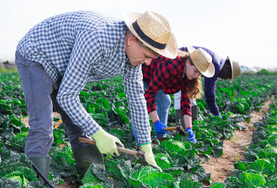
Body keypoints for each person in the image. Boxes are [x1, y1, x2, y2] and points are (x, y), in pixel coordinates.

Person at [15, 10, 178, 176]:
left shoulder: (133, 58)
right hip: (36, 55)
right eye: (147, 56)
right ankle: (36, 185)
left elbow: (137, 99)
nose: (148, 62)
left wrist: (146, 148)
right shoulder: (97, 39)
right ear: (131, 40)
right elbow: (67, 96)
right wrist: (99, 134)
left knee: (79, 125)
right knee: (42, 125)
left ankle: (91, 178)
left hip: (63, 65)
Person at [132, 46, 215, 144]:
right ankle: (141, 145)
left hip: (157, 79)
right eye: (196, 71)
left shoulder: (188, 75)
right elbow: (149, 95)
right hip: (143, 74)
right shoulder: (171, 64)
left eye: (199, 74)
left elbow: (185, 102)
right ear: (188, 62)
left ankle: (161, 139)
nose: (196, 76)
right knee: (140, 108)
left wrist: (189, 129)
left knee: (165, 102)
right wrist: (156, 122)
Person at [174, 46, 242, 126]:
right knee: (180, 95)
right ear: (227, 68)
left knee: (190, 96)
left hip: (187, 67)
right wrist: (215, 112)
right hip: (179, 60)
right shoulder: (215, 64)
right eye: (227, 77)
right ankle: (180, 125)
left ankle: (191, 125)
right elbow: (209, 91)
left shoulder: (217, 61)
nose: (225, 79)